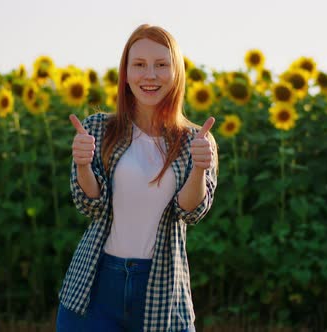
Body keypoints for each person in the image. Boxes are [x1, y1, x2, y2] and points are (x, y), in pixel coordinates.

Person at [57, 24, 218, 332]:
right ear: (126, 72)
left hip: (161, 286)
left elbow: (190, 212)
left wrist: (199, 167)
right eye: (140, 65)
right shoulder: (98, 129)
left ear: (177, 72)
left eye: (161, 65)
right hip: (96, 282)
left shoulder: (196, 140)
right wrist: (82, 165)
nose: (150, 75)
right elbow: (91, 205)